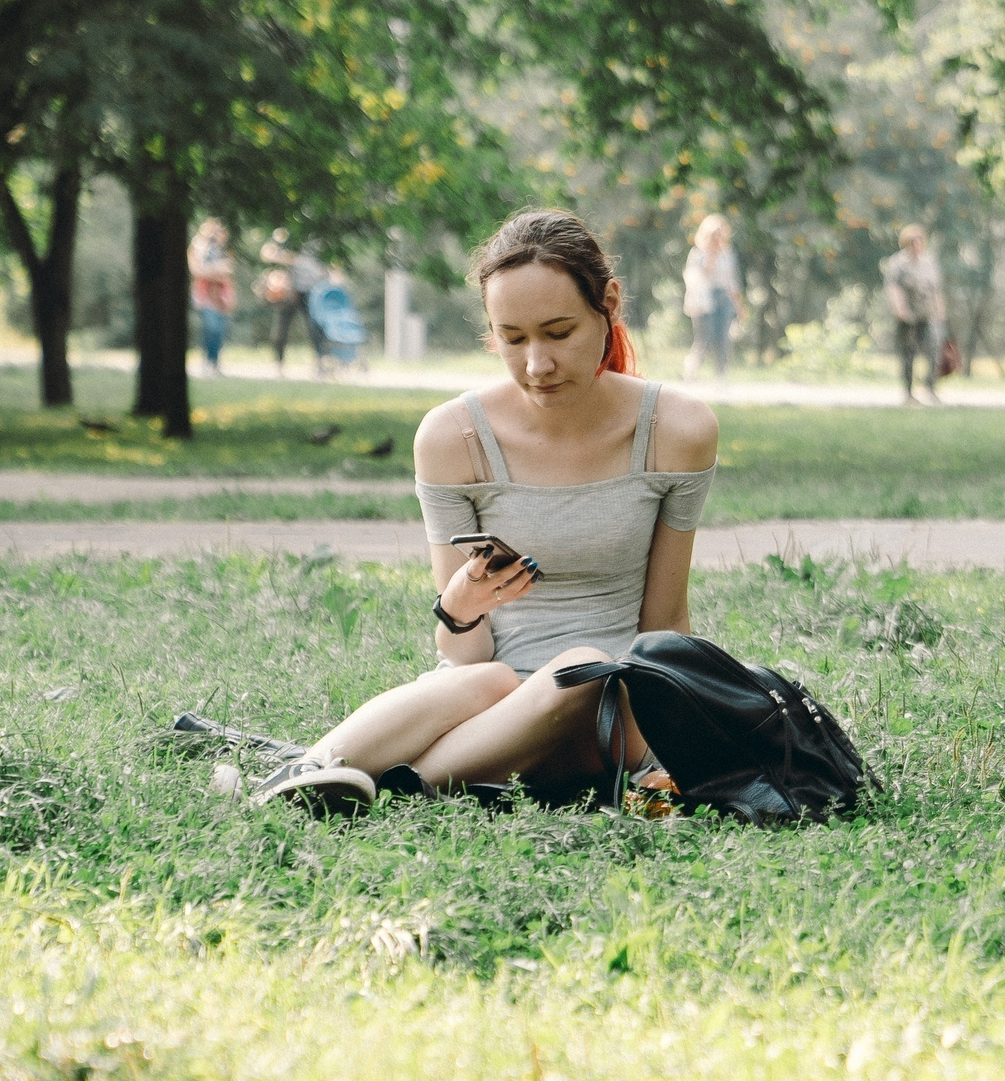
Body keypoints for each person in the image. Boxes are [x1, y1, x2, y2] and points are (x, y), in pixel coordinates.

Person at [242, 209, 719, 814]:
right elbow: (465, 656)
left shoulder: (676, 429)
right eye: (512, 339)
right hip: (485, 703)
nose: (536, 364)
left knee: (586, 667)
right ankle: (305, 775)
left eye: (559, 332)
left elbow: (665, 621)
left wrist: (672, 743)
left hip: (614, 714)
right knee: (489, 680)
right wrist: (462, 607)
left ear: (610, 304)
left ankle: (395, 786)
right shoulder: (453, 437)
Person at [881, 224, 946, 405]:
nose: (917, 244)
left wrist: (940, 309)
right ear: (906, 243)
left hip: (927, 314)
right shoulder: (898, 263)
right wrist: (899, 309)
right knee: (908, 354)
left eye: (919, 240)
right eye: (912, 241)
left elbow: (936, 288)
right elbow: (894, 288)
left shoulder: (929, 261)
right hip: (908, 315)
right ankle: (908, 392)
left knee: (934, 349)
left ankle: (930, 388)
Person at [681, 214, 742, 382]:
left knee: (723, 338)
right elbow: (699, 277)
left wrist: (739, 307)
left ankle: (721, 376)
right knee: (703, 338)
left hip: (724, 298)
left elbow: (733, 282)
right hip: (704, 301)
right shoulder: (697, 254)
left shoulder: (728, 254)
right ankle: (690, 373)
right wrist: (711, 254)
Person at [260, 230, 326, 374]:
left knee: (313, 327)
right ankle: (278, 362)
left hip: (306, 291)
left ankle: (320, 361)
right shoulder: (284, 242)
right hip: (288, 293)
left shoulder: (310, 247)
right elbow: (267, 253)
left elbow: (318, 270)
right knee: (282, 328)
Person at [187, 219, 236, 376]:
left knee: (220, 330)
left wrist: (213, 271)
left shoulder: (224, 251)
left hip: (221, 296)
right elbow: (197, 270)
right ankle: (208, 362)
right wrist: (216, 270)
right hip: (204, 295)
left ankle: (215, 362)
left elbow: (228, 270)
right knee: (210, 328)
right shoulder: (198, 248)